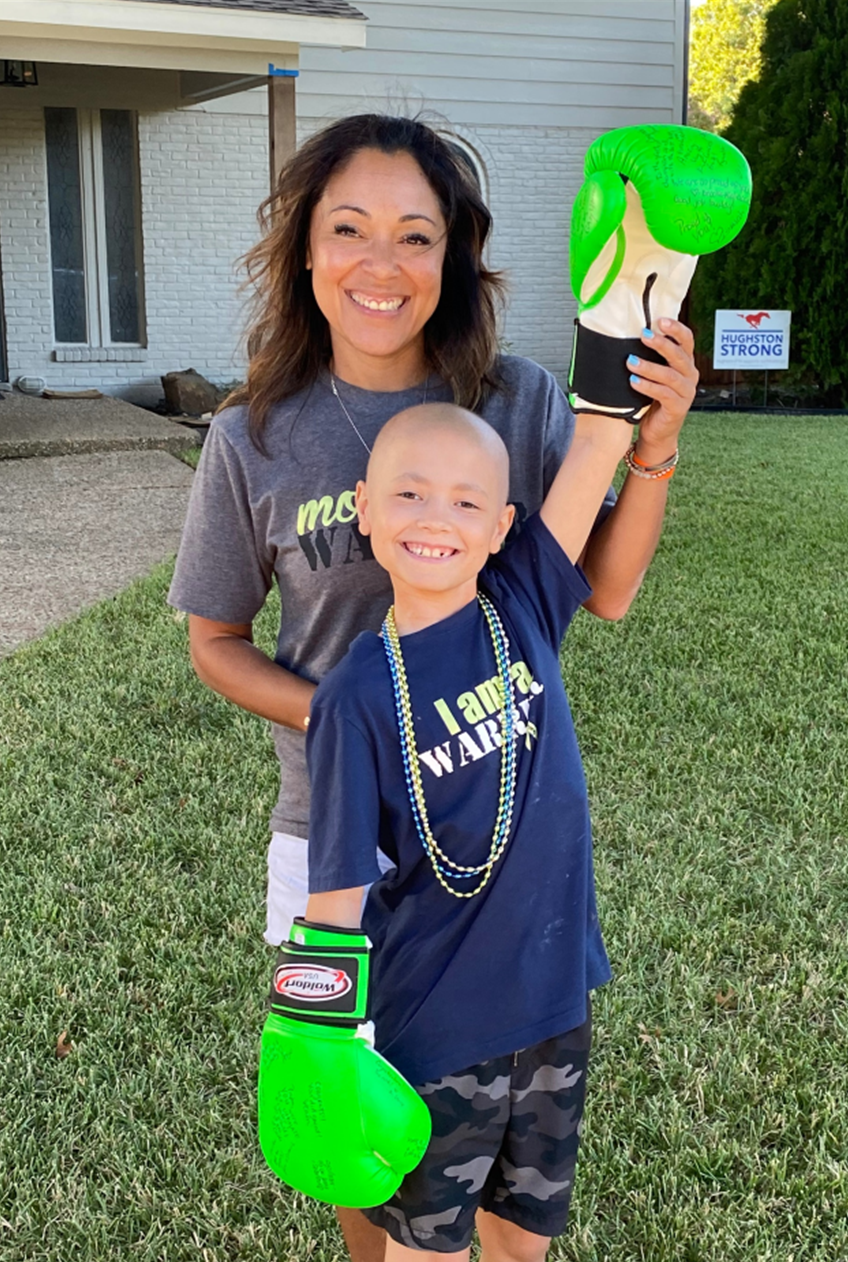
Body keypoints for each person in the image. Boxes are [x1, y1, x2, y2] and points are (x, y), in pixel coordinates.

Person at [167, 112, 697, 1262]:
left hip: (498, 839)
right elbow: (215, 637)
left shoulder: (515, 398)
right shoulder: (253, 436)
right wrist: (362, 721)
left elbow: (596, 590)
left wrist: (651, 438)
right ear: (303, 249)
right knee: (372, 1165)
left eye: (415, 235)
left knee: (510, 1175)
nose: (380, 262)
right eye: (347, 228)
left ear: (452, 254)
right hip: (335, 835)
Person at [293, 399, 642, 1261]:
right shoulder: (353, 697)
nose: (436, 520)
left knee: (525, 1243)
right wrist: (317, 1050)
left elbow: (599, 435)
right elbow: (336, 897)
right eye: (409, 495)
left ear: (501, 528)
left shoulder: (522, 602)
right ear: (366, 509)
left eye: (464, 501)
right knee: (429, 1252)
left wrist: (641, 284)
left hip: (553, 1004)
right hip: (433, 1031)